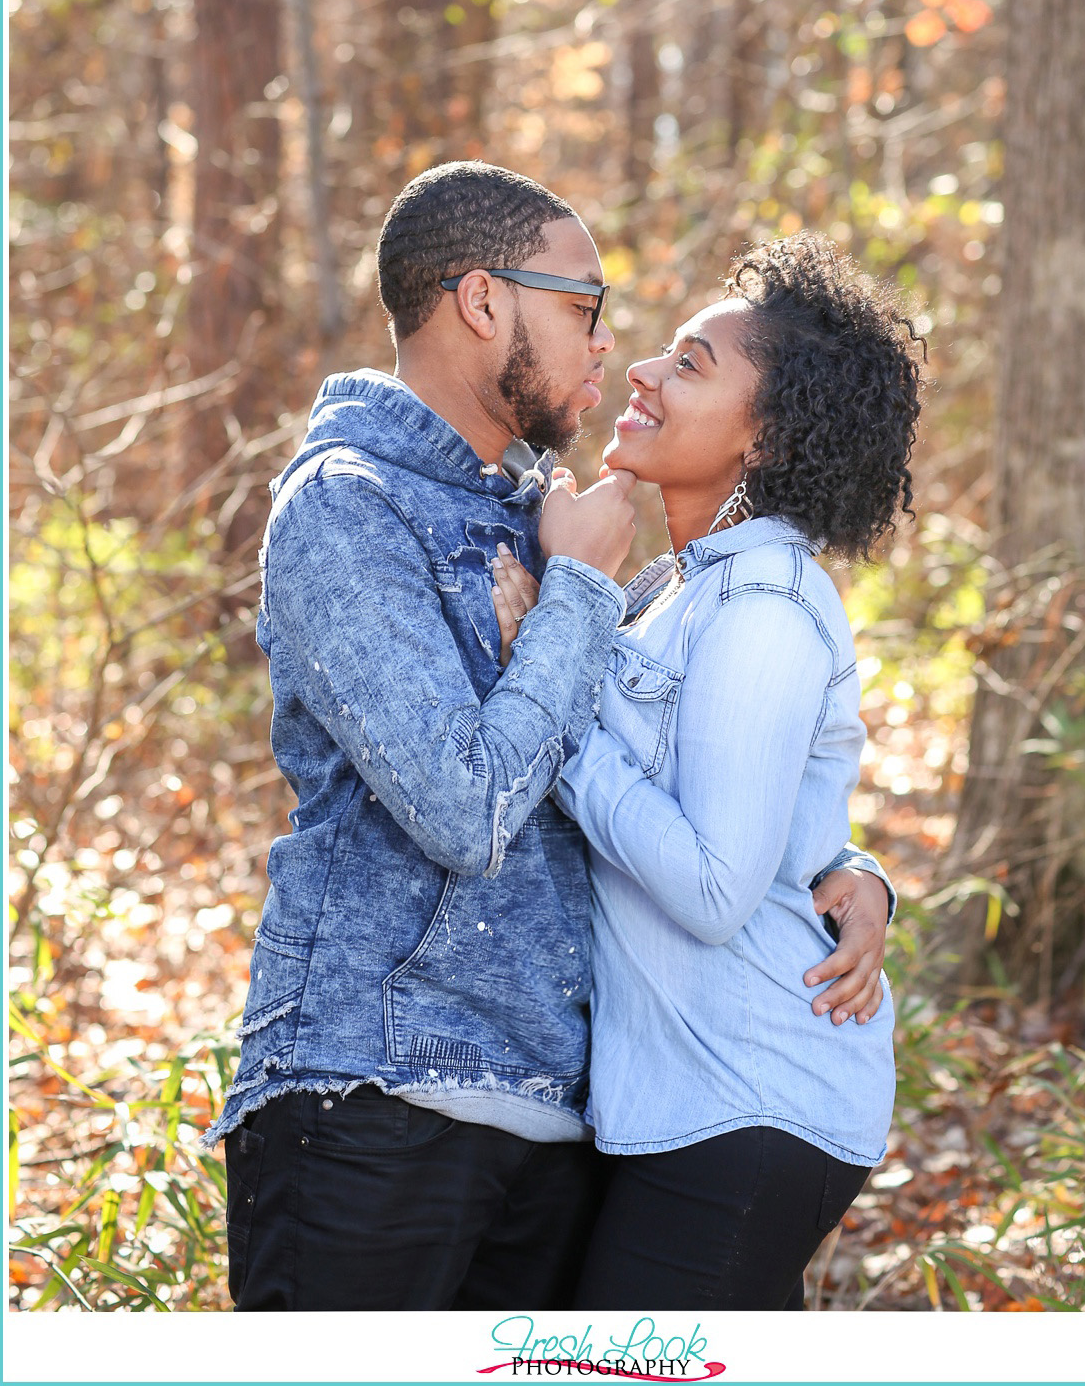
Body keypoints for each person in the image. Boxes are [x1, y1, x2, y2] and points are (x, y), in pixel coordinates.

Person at [204, 163, 893, 1312]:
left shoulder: (558, 515)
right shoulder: (347, 503)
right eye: (584, 305)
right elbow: (464, 808)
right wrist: (573, 587)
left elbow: (705, 768)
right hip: (373, 1099)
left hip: (563, 1117)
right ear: (482, 301)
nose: (610, 347)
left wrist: (840, 863)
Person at [492, 233, 921, 1309]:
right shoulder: (677, 588)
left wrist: (550, 703)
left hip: (752, 1099)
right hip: (699, 1094)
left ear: (765, 432)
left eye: (689, 365)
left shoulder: (763, 609)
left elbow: (720, 885)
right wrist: (860, 871)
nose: (639, 370)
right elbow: (781, 829)